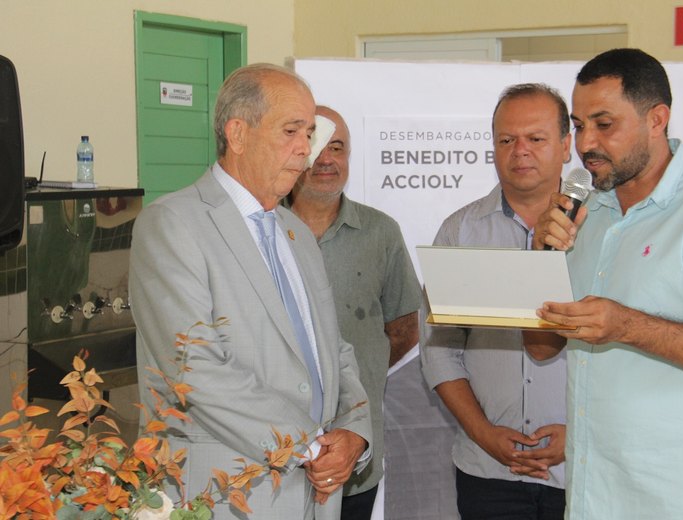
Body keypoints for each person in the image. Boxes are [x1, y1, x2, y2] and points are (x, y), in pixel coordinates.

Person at [532, 48, 683, 520]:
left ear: (656, 120)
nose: (586, 144)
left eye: (605, 124)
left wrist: (625, 326)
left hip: (682, 501)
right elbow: (541, 347)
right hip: (592, 497)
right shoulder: (584, 213)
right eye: (580, 125)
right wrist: (540, 261)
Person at [130, 63, 373, 520]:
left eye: (310, 133)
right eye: (292, 131)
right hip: (223, 494)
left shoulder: (295, 232)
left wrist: (354, 434)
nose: (307, 150)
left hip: (316, 491)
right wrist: (309, 446)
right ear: (237, 134)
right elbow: (195, 367)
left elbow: (334, 350)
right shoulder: (172, 224)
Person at [420, 83, 571, 520]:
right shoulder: (460, 233)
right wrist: (484, 434)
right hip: (488, 473)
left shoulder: (604, 232)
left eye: (536, 138)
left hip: (584, 467)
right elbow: (439, 351)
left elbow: (628, 357)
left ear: (566, 146)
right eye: (507, 140)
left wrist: (581, 434)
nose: (520, 150)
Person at [283, 105, 422, 520]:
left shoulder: (381, 232)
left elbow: (403, 329)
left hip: (355, 446)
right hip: (275, 447)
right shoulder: (264, 230)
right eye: (316, 146)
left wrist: (360, 372)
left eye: (338, 148)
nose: (326, 159)